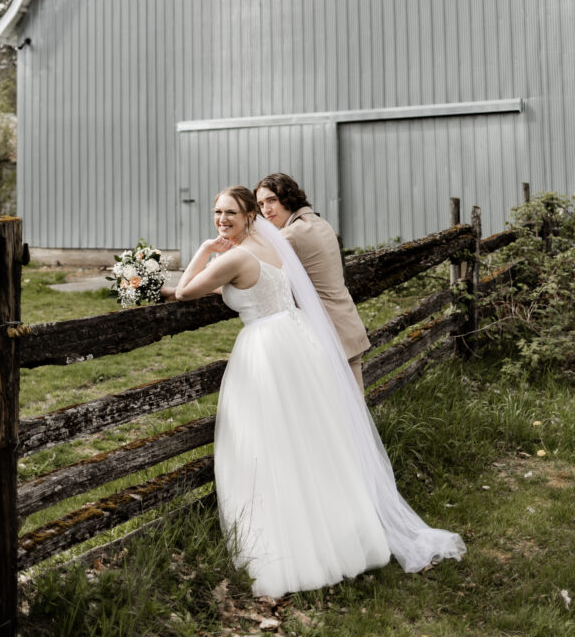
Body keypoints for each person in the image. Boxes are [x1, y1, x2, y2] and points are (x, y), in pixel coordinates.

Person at [175, 185, 465, 598]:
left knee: (267, 445)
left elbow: (187, 290)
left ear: (249, 217)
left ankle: (289, 550)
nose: (222, 220)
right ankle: (343, 539)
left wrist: (205, 249)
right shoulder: (269, 247)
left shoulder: (234, 255)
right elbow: (238, 289)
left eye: (230, 214)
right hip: (296, 342)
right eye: (216, 213)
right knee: (310, 442)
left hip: (266, 351)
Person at [255, 173, 370, 392]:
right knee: (353, 414)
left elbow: (253, 271)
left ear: (287, 196)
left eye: (272, 200)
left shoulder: (292, 234)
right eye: (261, 204)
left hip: (327, 336)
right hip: (348, 326)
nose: (266, 209)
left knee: (335, 417)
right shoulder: (319, 222)